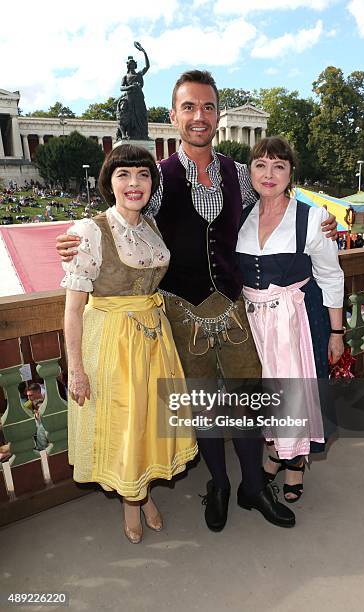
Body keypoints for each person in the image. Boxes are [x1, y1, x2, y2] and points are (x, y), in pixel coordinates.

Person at [56, 70, 337, 533]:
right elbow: (121, 214)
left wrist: (320, 220)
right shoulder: (158, 178)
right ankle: (220, 485)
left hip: (231, 304)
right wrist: (74, 239)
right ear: (174, 116)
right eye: (188, 107)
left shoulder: (238, 173)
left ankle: (252, 487)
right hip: (180, 311)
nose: (199, 116)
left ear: (218, 115)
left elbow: (275, 199)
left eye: (207, 107)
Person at [61, 144, 197, 544]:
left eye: (142, 175)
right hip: (113, 343)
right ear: (110, 182)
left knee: (148, 425)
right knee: (124, 425)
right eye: (124, 175)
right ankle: (132, 503)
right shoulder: (90, 230)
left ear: (151, 184)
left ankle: (143, 492)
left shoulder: (151, 227)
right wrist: (77, 368)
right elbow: (73, 307)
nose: (134, 183)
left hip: (155, 340)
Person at [236, 137, 344, 502]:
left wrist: (336, 331)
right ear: (250, 171)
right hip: (253, 324)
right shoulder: (240, 217)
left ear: (290, 173)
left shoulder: (312, 218)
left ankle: (295, 463)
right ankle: (274, 451)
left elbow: (331, 276)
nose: (269, 174)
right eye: (261, 165)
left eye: (278, 166)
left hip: (295, 319)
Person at [117, 42, 150, 140]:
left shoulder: (139, 74)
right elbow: (121, 88)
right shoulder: (125, 77)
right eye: (130, 63)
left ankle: (143, 135)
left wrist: (144, 52)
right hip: (130, 98)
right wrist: (130, 86)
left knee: (142, 116)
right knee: (131, 118)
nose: (131, 64)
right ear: (128, 65)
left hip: (139, 97)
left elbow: (147, 66)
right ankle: (130, 134)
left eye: (133, 63)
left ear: (135, 65)